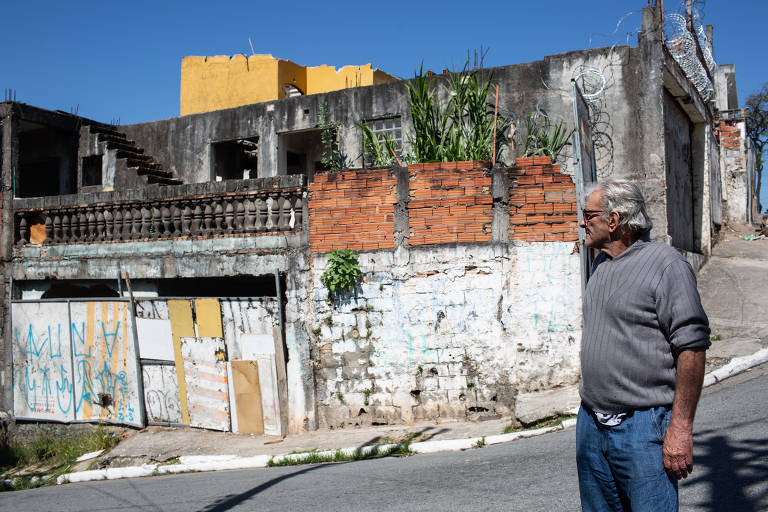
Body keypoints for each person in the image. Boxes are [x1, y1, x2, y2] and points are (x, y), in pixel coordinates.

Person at [576, 180, 710, 512]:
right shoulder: (600, 264)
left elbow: (692, 348)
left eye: (588, 214)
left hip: (642, 430)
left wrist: (680, 428)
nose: (581, 222)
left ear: (613, 221)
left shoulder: (666, 265)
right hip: (592, 426)